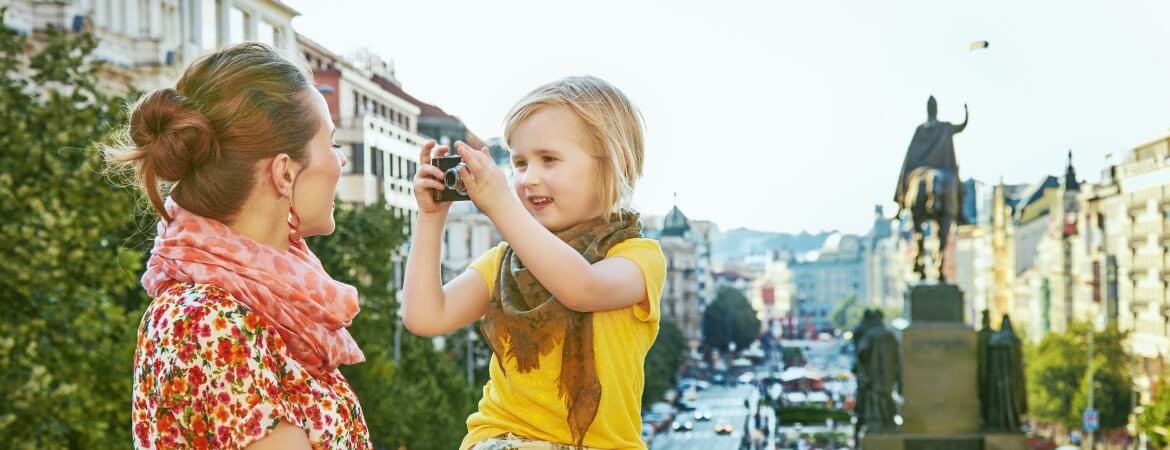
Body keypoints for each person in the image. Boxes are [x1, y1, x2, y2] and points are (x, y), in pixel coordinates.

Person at [106, 43, 370, 449]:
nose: (341, 162)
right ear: (284, 172)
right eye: (332, 144)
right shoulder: (206, 321)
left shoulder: (267, 309)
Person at [402, 76, 666, 449]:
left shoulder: (638, 257)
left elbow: (581, 287)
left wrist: (500, 205)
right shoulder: (505, 262)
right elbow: (426, 316)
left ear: (612, 164)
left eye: (549, 160)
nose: (529, 179)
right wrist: (431, 219)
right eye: (520, 163)